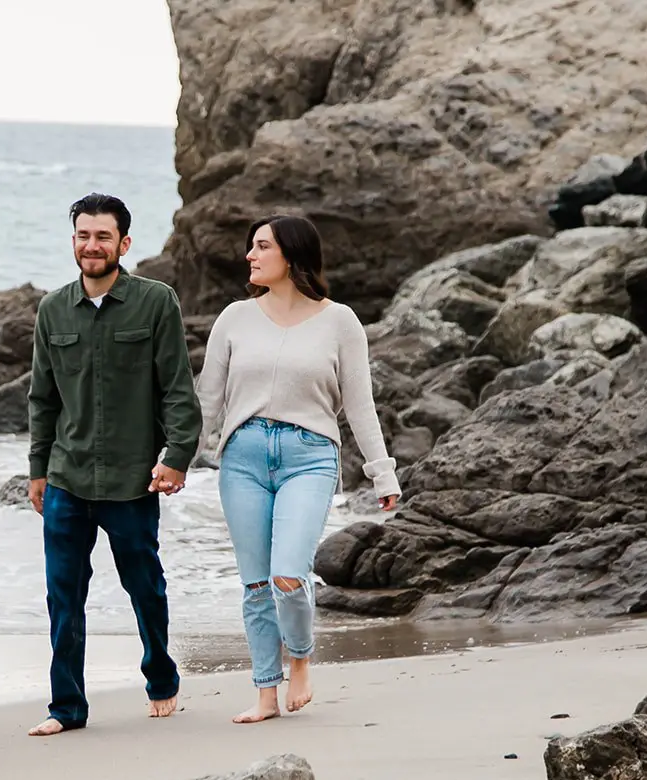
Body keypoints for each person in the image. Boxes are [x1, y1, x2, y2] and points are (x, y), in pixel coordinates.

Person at [195, 214, 401, 725]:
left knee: (287, 575)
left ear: (291, 254)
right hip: (241, 457)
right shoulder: (234, 319)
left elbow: (360, 405)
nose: (250, 255)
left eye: (261, 246)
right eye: (251, 246)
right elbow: (206, 404)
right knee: (255, 585)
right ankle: (266, 693)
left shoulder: (340, 322)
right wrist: (173, 461)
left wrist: (383, 473)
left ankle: (301, 657)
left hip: (309, 456)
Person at [25, 192, 202, 737]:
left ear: (124, 243)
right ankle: (67, 709)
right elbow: (42, 398)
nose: (91, 245)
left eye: (102, 236)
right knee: (63, 596)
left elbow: (177, 389)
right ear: (72, 240)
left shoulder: (155, 303)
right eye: (83, 235)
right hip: (66, 478)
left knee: (144, 585)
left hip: (131, 480)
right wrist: (37, 469)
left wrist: (176, 457)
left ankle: (160, 675)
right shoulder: (52, 310)